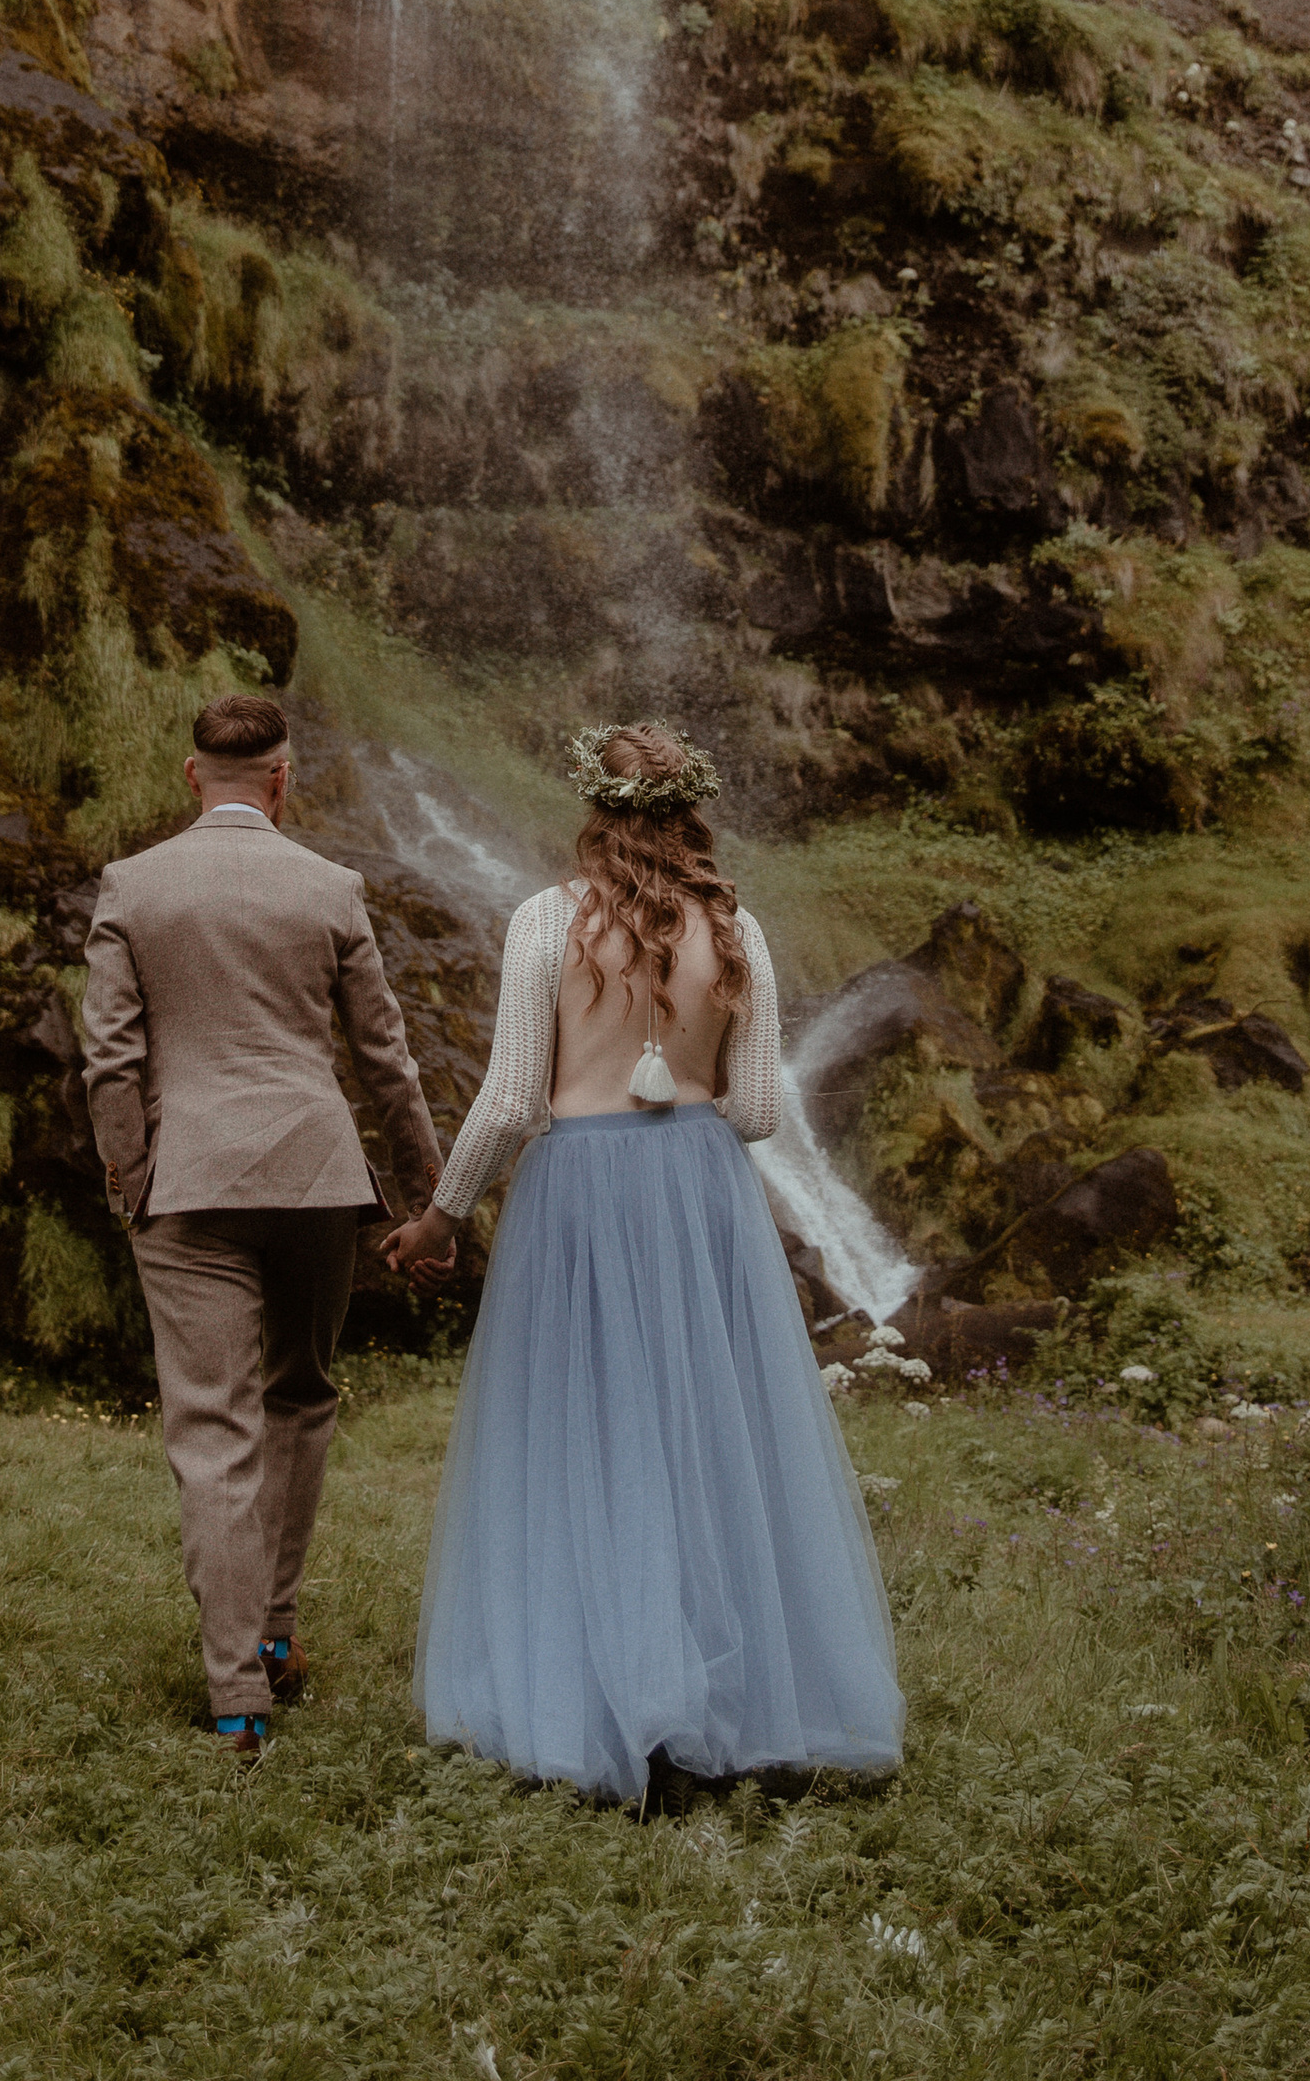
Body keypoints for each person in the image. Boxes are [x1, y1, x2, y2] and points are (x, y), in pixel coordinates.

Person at [385, 721, 904, 1805]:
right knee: (712, 1438)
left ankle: (599, 1706)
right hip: (701, 1196)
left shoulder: (544, 923)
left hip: (579, 1194)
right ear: (688, 809)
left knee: (580, 1436)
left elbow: (514, 1099)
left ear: (593, 808)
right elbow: (760, 1111)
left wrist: (443, 1215)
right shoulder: (736, 926)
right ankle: (735, 1707)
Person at [80, 691, 452, 1758]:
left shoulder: (134, 885)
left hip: (186, 1184)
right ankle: (275, 1635)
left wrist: (129, 1182)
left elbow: (109, 1057)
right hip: (314, 1177)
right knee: (300, 1396)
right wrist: (425, 1193)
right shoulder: (329, 886)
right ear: (282, 779)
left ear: (193, 778)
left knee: (212, 1427)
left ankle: (237, 1690)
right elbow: (386, 1057)